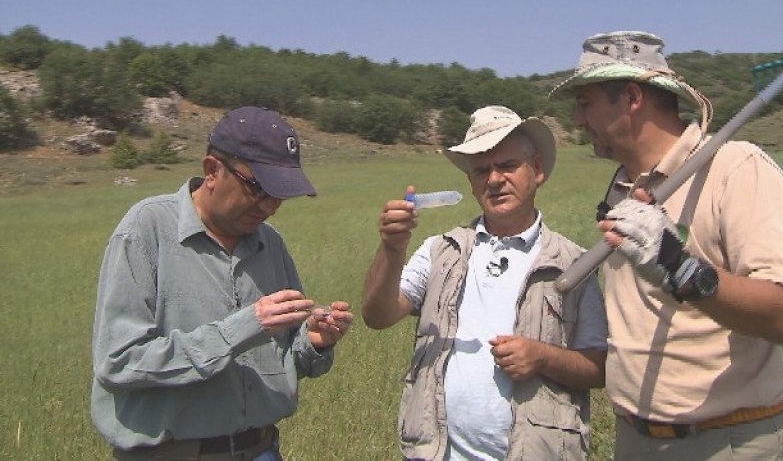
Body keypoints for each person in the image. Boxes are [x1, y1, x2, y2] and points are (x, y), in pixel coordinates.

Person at [549, 31, 783, 460]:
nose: (578, 120)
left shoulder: (737, 169)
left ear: (631, 97)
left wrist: (681, 269)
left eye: (585, 103)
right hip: (636, 438)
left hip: (728, 441)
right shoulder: (622, 187)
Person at [90, 106, 354, 461]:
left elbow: (288, 355)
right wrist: (240, 329)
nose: (270, 206)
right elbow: (119, 361)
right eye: (259, 188)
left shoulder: (270, 244)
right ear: (212, 170)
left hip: (261, 450)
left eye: (280, 195)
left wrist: (313, 342)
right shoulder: (145, 231)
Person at [361, 105, 608, 461]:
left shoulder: (572, 263)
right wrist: (391, 248)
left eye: (507, 166)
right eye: (481, 170)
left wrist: (542, 357)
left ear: (536, 170)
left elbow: (598, 368)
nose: (494, 180)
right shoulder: (441, 251)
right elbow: (378, 315)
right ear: (471, 182)